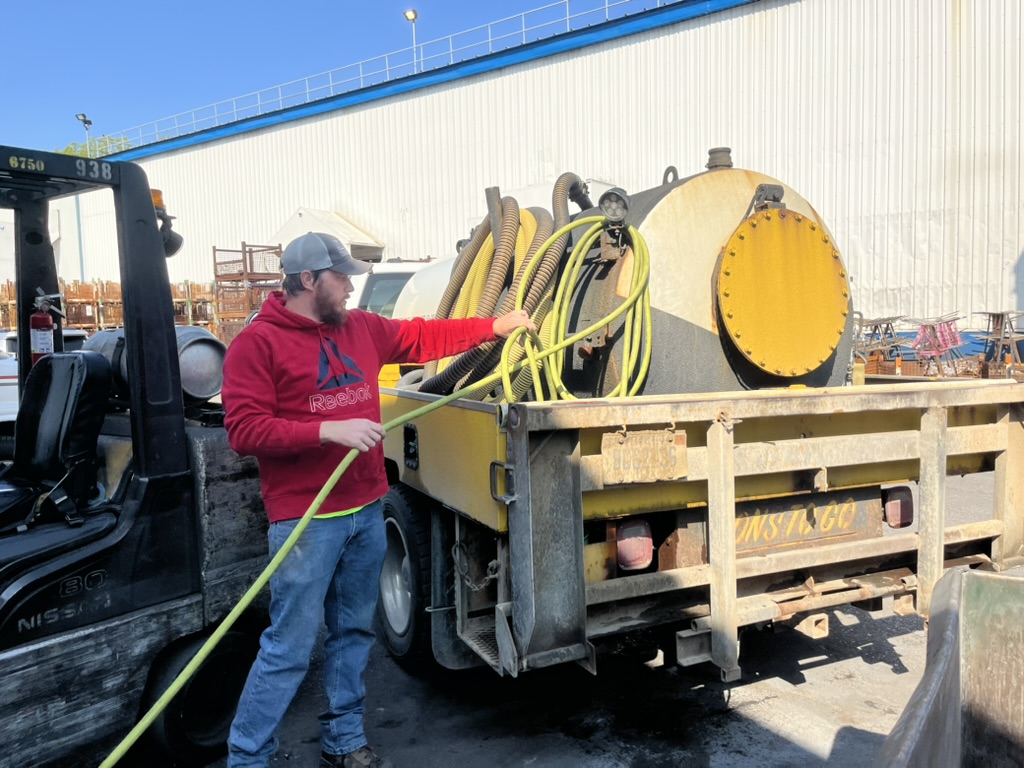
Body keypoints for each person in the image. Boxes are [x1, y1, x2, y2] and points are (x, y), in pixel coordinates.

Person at [221, 231, 535, 768]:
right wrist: (327, 432)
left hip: (365, 510)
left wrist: (492, 328)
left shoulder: (360, 327)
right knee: (289, 649)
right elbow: (244, 431)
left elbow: (421, 338)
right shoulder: (258, 344)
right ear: (306, 281)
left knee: (353, 633)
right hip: (306, 521)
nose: (349, 287)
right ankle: (247, 758)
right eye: (340, 278)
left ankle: (343, 741)